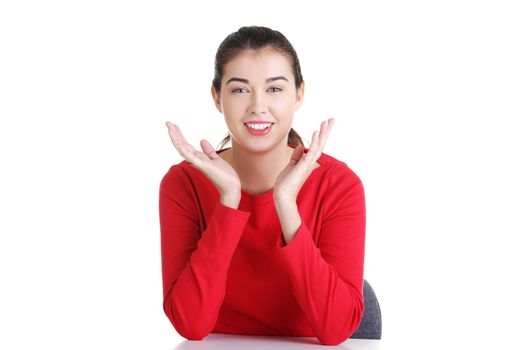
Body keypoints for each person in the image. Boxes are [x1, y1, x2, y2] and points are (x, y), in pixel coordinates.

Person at [159, 26, 366, 346]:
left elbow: (336, 329)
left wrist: (285, 203)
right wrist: (229, 200)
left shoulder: (339, 185)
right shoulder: (184, 183)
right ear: (217, 97)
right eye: (240, 90)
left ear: (299, 94)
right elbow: (191, 325)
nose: (258, 105)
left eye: (274, 89)